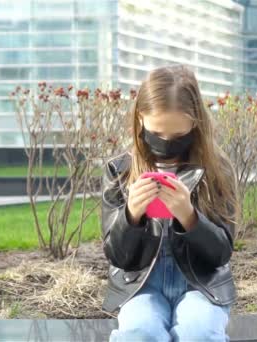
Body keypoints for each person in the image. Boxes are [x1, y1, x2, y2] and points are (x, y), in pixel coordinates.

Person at [102, 64, 239, 342]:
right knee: (140, 333)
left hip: (200, 285)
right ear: (140, 119)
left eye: (178, 136)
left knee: (198, 331)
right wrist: (131, 216)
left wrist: (189, 217)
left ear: (195, 123)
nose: (166, 144)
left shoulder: (216, 169)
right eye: (157, 134)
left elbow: (221, 253)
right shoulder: (120, 170)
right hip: (141, 287)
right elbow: (117, 255)